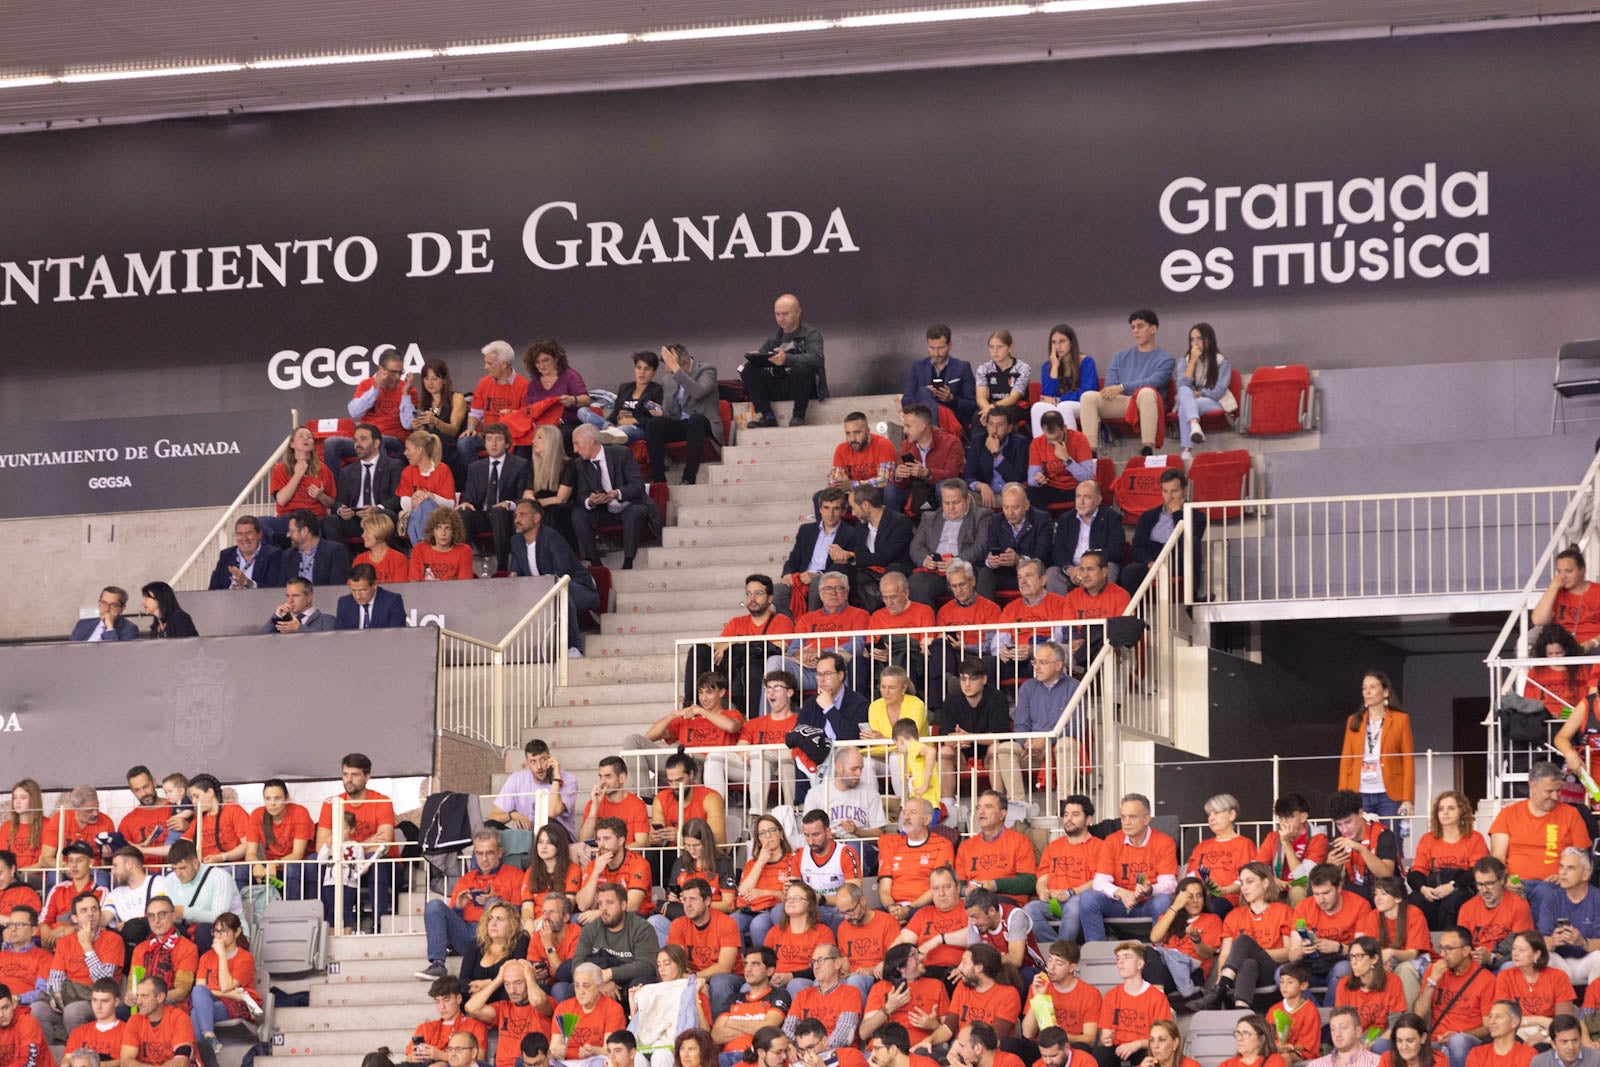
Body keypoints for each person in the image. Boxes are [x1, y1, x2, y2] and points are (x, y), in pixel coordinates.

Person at [417, 829, 529, 981]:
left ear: (500, 852)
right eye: (479, 853)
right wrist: (458, 907)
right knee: (434, 906)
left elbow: (518, 915)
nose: (484, 859)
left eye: (489, 853)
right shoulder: (466, 879)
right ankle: (437, 964)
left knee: (493, 903)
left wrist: (497, 903)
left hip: (495, 938)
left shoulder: (515, 875)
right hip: (467, 935)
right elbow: (447, 923)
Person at [1188, 863, 1294, 1011]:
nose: (1244, 888)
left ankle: (1220, 990)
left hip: (1270, 972)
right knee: (1248, 963)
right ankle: (1240, 1010)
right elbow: (1224, 954)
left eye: (1250, 882)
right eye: (1242, 883)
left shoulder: (1283, 911)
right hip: (1241, 974)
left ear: (1265, 882)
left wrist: (1254, 950)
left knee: (1244, 941)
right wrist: (1220, 974)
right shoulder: (1234, 915)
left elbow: (1288, 952)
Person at [315, 752, 398, 933]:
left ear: (367, 777)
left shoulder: (381, 801)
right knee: (314, 862)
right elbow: (322, 845)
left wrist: (347, 846)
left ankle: (379, 926)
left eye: (355, 775)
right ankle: (322, 924)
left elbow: (383, 843)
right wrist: (361, 844)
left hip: (377, 862)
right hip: (343, 861)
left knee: (375, 862)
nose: (348, 780)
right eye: (345, 774)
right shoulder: (332, 803)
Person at [1080, 793, 1178, 942]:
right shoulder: (1112, 841)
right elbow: (1099, 882)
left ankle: (1161, 953)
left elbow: (1170, 884)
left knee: (1164, 901)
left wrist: (1150, 890)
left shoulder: (1164, 842)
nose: (1126, 822)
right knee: (1088, 898)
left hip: (1148, 903)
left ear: (1146, 819)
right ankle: (1096, 952)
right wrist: (1121, 892)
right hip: (1119, 903)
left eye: (1132, 817)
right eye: (1123, 817)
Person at [509, 499, 600, 657]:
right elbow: (515, 574)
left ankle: (574, 647)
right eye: (515, 515)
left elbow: (562, 574)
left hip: (579, 589)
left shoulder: (552, 538)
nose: (517, 519)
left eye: (522, 515)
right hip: (541, 591)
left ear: (536, 518)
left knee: (559, 592)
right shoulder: (516, 541)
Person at [1078, 310, 1176, 456]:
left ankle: (1147, 448)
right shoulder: (1120, 357)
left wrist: (1123, 387)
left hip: (1146, 401)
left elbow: (1153, 382)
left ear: (1153, 329)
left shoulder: (1166, 359)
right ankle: (1090, 452)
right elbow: (1110, 386)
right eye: (1133, 327)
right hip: (1123, 402)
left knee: (1147, 392)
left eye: (1140, 326)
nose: (1135, 331)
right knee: (1088, 397)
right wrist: (1118, 389)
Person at [31, 890, 123, 1042]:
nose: (91, 914)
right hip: (68, 996)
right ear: (75, 918)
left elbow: (104, 982)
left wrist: (87, 947)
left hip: (97, 998)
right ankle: (49, 1058)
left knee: (73, 1012)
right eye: (84, 910)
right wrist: (55, 996)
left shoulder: (113, 940)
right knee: (37, 1010)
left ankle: (82, 1056)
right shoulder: (65, 942)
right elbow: (55, 976)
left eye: (94, 909)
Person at [571, 422, 660, 570]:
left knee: (635, 512)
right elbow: (580, 494)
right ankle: (595, 563)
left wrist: (617, 493)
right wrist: (590, 501)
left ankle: (629, 560)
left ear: (591, 440)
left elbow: (637, 485)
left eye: (577, 444)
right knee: (577, 514)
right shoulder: (579, 464)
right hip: (603, 510)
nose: (575, 450)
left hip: (628, 504)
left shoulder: (622, 453)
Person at [1490, 763, 1592, 887]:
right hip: (1516, 880)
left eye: (1558, 791)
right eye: (1549, 791)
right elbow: (1498, 857)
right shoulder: (1508, 814)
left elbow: (1581, 857)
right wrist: (1505, 881)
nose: (1555, 797)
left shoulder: (1571, 814)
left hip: (1554, 884)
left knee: (1546, 892)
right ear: (1532, 786)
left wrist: (1564, 877)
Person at [1287, 863, 1373, 999]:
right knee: (1283, 973)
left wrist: (1338, 948)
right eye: (1316, 894)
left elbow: (1363, 954)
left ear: (1339, 887)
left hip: (1342, 961)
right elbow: (1292, 956)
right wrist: (1302, 951)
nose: (1321, 900)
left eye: (1326, 893)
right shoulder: (1304, 906)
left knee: (1343, 969)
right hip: (1311, 964)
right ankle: (1312, 1011)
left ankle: (1329, 1015)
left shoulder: (1360, 905)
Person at [1337, 672, 1415, 822]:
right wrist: (1343, 797)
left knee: (1392, 840)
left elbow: (1407, 761)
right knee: (1360, 841)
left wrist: (1408, 798)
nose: (1367, 691)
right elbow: (1346, 761)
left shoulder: (1401, 719)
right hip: (1359, 792)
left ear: (1385, 692)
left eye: (1372, 687)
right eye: (1364, 688)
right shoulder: (1353, 720)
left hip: (1390, 794)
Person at [934, 656, 1012, 802]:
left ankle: (998, 803)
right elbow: (944, 736)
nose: (967, 685)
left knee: (996, 748)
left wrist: (969, 737)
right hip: (961, 754)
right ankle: (947, 805)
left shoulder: (997, 698)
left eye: (973, 679)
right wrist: (956, 740)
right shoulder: (952, 699)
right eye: (963, 679)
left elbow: (1000, 736)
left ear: (984, 679)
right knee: (945, 751)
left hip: (988, 754)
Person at [743, 293, 826, 428]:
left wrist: (786, 359)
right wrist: (756, 358)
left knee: (802, 367)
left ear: (798, 312)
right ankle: (768, 416)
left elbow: (817, 359)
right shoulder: (774, 338)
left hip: (803, 386)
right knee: (748, 369)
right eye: (777, 314)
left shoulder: (811, 333)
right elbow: (762, 360)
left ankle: (798, 416)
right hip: (780, 385)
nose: (781, 319)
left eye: (785, 314)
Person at [324, 347, 416, 467]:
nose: (398, 377)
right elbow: (354, 412)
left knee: (379, 441)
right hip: (365, 439)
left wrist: (405, 395)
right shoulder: (366, 385)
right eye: (393, 372)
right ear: (381, 369)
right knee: (331, 443)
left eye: (400, 372)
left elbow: (407, 424)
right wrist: (375, 389)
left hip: (395, 441)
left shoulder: (408, 389)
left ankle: (378, 485)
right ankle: (334, 485)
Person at [644, 343, 722, 486]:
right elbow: (670, 413)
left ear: (685, 362)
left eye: (672, 368)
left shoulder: (706, 370)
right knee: (654, 424)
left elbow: (698, 391)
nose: (671, 374)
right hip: (681, 424)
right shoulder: (668, 379)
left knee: (695, 420)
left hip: (703, 424)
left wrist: (676, 369)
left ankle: (689, 478)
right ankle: (659, 480)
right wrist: (662, 411)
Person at [1415, 929, 1494, 1067]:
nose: (1442, 954)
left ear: (1466, 951)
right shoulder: (1434, 971)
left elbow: (1488, 1027)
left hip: (1468, 1043)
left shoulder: (1486, 979)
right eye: (1441, 948)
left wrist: (1458, 1034)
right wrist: (1432, 981)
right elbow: (1419, 1014)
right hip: (1435, 1041)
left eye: (1449, 949)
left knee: (1458, 1041)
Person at [665, 877, 742, 1019]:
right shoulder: (678, 924)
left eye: (693, 899)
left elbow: (725, 967)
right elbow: (675, 961)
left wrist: (695, 978)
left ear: (707, 901)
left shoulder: (726, 923)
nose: (687, 905)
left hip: (730, 978)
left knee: (720, 981)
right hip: (695, 975)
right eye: (684, 899)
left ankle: (715, 1032)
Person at [781, 489, 866, 617]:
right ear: (820, 509)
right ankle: (792, 629)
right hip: (801, 579)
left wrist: (818, 575)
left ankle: (811, 626)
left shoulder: (851, 533)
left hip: (829, 579)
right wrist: (787, 573)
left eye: (835, 509)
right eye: (826, 508)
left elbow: (845, 567)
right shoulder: (806, 530)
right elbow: (793, 559)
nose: (830, 514)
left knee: (819, 583)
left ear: (843, 511)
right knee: (778, 590)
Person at [460, 423, 532, 571]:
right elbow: (468, 495)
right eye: (489, 439)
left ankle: (502, 567)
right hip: (482, 515)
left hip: (507, 516)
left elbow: (524, 497)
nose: (493, 443)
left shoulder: (520, 465)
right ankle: (464, 566)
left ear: (507, 444)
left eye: (498, 439)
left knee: (499, 512)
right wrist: (466, 503)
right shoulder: (475, 467)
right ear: (484, 443)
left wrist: (510, 504)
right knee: (463, 513)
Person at [1120, 470, 1206, 595]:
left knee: (1192, 541)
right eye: (1165, 491)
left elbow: (1189, 541)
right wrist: (1149, 563)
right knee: (1130, 571)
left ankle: (1193, 599)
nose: (1169, 497)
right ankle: (1136, 613)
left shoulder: (1197, 516)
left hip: (1178, 562)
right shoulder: (1148, 516)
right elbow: (1137, 546)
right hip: (1152, 561)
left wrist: (1177, 514)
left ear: (1185, 490)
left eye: (1174, 491)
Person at [1029, 795, 1101, 944]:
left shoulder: (1099, 847)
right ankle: (1058, 951)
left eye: (1075, 815)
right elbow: (1042, 876)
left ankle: (1061, 954)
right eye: (1066, 814)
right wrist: (1042, 890)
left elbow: (1098, 881)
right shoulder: (1053, 847)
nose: (1068, 819)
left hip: (1080, 904)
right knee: (1029, 910)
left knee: (1074, 905)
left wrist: (1070, 892)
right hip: (1054, 904)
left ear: (1088, 820)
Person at [569, 883, 658, 1003]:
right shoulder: (590, 929)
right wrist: (599, 983)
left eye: (609, 903)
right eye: (600, 904)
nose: (603, 909)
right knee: (567, 988)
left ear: (623, 905)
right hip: (598, 980)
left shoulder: (642, 928)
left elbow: (648, 966)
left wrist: (610, 973)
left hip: (628, 980)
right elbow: (577, 965)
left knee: (641, 987)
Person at [321, 421, 406, 546]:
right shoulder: (347, 471)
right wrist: (341, 510)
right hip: (354, 518)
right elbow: (339, 502)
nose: (357, 444)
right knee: (330, 521)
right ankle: (346, 562)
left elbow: (398, 498)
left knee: (388, 515)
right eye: (355, 440)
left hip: (379, 517)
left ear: (377, 443)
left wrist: (376, 509)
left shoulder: (394, 466)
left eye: (363, 439)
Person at [155, 839, 245, 954]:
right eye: (174, 869)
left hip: (230, 932)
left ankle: (204, 970)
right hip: (189, 930)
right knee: (165, 929)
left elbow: (221, 917)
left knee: (204, 930)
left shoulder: (220, 877)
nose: (178, 874)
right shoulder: (170, 880)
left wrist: (185, 912)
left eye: (182, 868)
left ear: (195, 863)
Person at [908, 480, 990, 608]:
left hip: (965, 569)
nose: (951, 508)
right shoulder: (929, 518)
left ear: (968, 499)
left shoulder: (981, 516)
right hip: (936, 571)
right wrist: (926, 560)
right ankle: (933, 625)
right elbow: (915, 546)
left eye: (956, 503)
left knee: (969, 581)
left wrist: (957, 561)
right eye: (946, 503)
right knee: (915, 584)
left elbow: (981, 546)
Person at [1091, 944, 1173, 1067]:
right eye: (1118, 959)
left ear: (1140, 964)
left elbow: (1163, 1038)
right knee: (1100, 1055)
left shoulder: (1157, 997)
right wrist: (1106, 1039)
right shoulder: (1111, 996)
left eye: (1126, 957)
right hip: (1118, 1048)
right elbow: (1106, 1034)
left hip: (1145, 1047)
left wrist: (1137, 1044)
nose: (1120, 962)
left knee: (1154, 1056)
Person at [876, 797, 955, 924]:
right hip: (893, 908)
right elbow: (884, 889)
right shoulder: (890, 844)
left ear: (926, 819)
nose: (906, 817)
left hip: (924, 907)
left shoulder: (942, 845)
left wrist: (909, 909)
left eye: (912, 813)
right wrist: (892, 908)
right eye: (904, 812)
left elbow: (937, 887)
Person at [188, 911, 256, 1057]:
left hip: (240, 1004)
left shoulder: (246, 958)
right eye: (216, 931)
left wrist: (222, 956)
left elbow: (226, 985)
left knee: (196, 1012)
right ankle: (209, 1036)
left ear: (237, 932)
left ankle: (204, 1056)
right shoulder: (206, 957)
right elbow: (200, 989)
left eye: (224, 931)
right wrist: (231, 993)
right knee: (198, 994)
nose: (218, 936)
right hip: (216, 1000)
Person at [860, 944, 951, 1052]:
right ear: (900, 967)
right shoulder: (880, 988)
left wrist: (934, 1026)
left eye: (919, 953)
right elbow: (864, 1033)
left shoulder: (937, 986)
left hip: (921, 1050)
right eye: (914, 955)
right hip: (884, 1052)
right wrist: (888, 1008)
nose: (922, 957)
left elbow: (948, 1030)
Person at [1492, 931, 1575, 1046]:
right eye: (1514, 949)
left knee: (1542, 1047)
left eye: (1522, 950)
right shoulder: (1505, 976)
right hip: (1517, 1030)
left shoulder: (1558, 977)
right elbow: (1504, 1017)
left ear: (1536, 954)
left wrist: (1543, 1034)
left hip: (1551, 1032)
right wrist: (1539, 1020)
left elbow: (1564, 1020)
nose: (1515, 954)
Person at [1144, 878, 1222, 999]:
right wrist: (1175, 907)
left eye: (1199, 895)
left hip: (1193, 973)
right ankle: (1159, 998)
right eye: (1190, 896)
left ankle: (1159, 1000)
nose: (1195, 901)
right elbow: (1154, 938)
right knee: (1146, 953)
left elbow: (1206, 954)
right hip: (1168, 971)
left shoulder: (1212, 919)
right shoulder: (1168, 917)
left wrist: (1196, 939)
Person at [1356, 877, 1431, 1004]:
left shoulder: (1414, 914)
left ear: (1398, 898)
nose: (1377, 899)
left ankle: (1408, 1019)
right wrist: (1380, 963)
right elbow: (1371, 950)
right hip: (1385, 961)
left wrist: (1392, 953)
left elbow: (1412, 953)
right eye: (1376, 894)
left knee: (1405, 969)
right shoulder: (1373, 916)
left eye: (1383, 894)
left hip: (1416, 961)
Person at [465, 959, 552, 1067]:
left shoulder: (545, 1003)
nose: (512, 990)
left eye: (518, 983)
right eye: (507, 984)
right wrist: (498, 980)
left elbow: (537, 1001)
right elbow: (471, 1008)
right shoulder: (503, 1007)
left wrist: (531, 978)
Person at [995, 560, 1070, 686]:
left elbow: (1059, 639)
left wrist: (1034, 651)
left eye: (1028, 576)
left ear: (1043, 580)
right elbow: (1000, 638)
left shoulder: (1060, 603)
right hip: (1015, 659)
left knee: (1048, 664)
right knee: (986, 665)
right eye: (1020, 577)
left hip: (1043, 658)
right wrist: (1003, 650)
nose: (1023, 582)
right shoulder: (1010, 608)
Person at [956, 791, 1038, 905]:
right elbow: (958, 885)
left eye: (988, 807)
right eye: (978, 807)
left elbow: (1028, 883)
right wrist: (966, 891)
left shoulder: (1020, 841)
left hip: (1005, 902)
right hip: (972, 902)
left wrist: (995, 885)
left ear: (1002, 814)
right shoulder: (966, 847)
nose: (981, 811)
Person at [1533, 848, 1600, 984]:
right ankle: (1552, 1005)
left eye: (1570, 868)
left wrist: (1582, 942)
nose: (1563, 873)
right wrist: (1552, 941)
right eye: (1561, 866)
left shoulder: (1597, 898)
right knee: (1543, 957)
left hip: (1587, 961)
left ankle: (1594, 1004)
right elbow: (1541, 941)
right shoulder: (1551, 897)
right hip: (1559, 961)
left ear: (1585, 874)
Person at [711, 947, 792, 1059]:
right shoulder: (733, 998)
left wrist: (731, 1022)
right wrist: (753, 1027)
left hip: (754, 1057)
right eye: (746, 964)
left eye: (754, 964)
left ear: (769, 971)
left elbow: (767, 1028)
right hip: (725, 1057)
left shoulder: (779, 995)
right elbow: (716, 1036)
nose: (748, 969)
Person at [1045, 482, 1126, 594]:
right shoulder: (1065, 519)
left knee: (1109, 568)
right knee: (1052, 573)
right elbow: (1058, 551)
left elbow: (1116, 550)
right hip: (1073, 570)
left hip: (1097, 568)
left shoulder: (1111, 518)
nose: (1081, 502)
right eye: (1078, 496)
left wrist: (1088, 567)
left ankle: (1104, 609)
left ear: (1098, 500)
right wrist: (1070, 569)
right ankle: (1062, 611)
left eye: (1087, 497)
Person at [656, 823, 737, 933]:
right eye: (687, 845)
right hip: (682, 916)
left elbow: (728, 905)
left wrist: (699, 905)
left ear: (706, 843)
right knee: (655, 921)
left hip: (712, 917)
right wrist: (673, 898)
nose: (692, 850)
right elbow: (672, 893)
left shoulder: (723, 863)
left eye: (696, 845)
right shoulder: (680, 862)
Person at [264, 423, 338, 543]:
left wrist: (321, 496)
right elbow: (281, 500)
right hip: (288, 518)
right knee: (261, 524)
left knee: (315, 525)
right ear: (292, 444)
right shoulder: (280, 469)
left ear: (313, 445)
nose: (306, 438)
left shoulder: (323, 469)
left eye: (309, 437)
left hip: (313, 517)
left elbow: (332, 503)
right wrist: (298, 474)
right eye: (301, 436)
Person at [848, 484, 917, 613]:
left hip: (895, 569)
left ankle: (877, 616)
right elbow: (860, 552)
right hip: (870, 573)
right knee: (841, 572)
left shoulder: (899, 522)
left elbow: (885, 557)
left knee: (887, 572)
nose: (852, 513)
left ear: (866, 505)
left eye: (853, 508)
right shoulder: (861, 526)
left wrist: (852, 556)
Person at [887, 405, 965, 517]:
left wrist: (927, 473)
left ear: (922, 426)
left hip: (937, 486)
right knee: (891, 490)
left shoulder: (951, 442)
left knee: (943, 487)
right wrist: (899, 476)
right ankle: (896, 529)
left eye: (908, 426)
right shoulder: (906, 445)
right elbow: (903, 483)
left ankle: (946, 525)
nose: (904, 431)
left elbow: (953, 474)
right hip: (917, 489)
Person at [459, 341, 531, 462]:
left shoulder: (524, 386)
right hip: (487, 435)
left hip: (512, 437)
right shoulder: (484, 383)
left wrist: (512, 413)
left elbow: (527, 418)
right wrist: (471, 428)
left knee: (523, 448)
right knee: (464, 443)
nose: (485, 367)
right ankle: (480, 476)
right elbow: (475, 412)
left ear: (503, 365)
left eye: (489, 363)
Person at [245, 779, 315, 903]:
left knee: (291, 868)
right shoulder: (257, 815)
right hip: (271, 872)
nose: (272, 803)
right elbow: (250, 853)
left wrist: (275, 863)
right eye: (268, 799)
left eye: (277, 798)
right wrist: (257, 865)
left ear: (286, 798)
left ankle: (292, 913)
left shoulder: (299, 812)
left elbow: (297, 854)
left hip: (298, 868)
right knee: (240, 871)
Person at [1459, 858, 1534, 972]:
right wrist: (1475, 956)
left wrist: (1492, 957)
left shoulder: (1519, 905)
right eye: (1480, 884)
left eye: (1489, 883)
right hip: (1475, 962)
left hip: (1505, 960)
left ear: (1502, 880)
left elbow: (1521, 945)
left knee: (1508, 968)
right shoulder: (1467, 908)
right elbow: (1461, 943)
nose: (1484, 890)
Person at [1184, 794, 1255, 913]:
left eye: (1216, 813)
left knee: (1213, 907)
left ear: (1231, 815)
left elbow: (1248, 879)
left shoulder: (1245, 844)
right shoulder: (1202, 846)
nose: (1211, 818)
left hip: (1227, 898)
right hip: (1199, 897)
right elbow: (1190, 877)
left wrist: (1224, 890)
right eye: (1209, 814)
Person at [981, 484, 1053, 603]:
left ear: (1026, 505)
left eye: (1015, 507)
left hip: (1032, 575)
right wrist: (991, 561)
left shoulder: (1042, 519)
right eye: (1006, 507)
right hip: (1005, 574)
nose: (1010, 513)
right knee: (984, 572)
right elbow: (989, 549)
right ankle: (987, 616)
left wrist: (1019, 560)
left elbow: (1042, 555)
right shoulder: (995, 520)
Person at [894, 866, 969, 979]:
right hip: (923, 972)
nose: (941, 893)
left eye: (947, 887)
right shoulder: (923, 913)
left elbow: (974, 936)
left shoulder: (969, 909)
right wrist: (887, 961)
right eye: (935, 888)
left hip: (956, 971)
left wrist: (938, 939)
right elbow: (902, 941)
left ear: (958, 888)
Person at [822, 412, 900, 520]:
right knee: (820, 496)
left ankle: (891, 528)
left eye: (857, 433)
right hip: (852, 495)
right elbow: (833, 483)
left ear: (868, 431)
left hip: (876, 494)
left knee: (890, 491)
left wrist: (852, 485)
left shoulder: (883, 445)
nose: (852, 438)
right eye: (848, 434)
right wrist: (838, 483)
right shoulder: (841, 449)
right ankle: (830, 535)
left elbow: (884, 480)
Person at [490, 740, 577, 836]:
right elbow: (493, 817)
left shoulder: (569, 779)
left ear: (550, 759)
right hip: (529, 838)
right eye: (533, 761)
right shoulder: (516, 779)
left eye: (543, 760)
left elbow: (552, 812)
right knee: (489, 826)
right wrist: (511, 815)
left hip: (559, 838)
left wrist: (556, 778)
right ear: (527, 763)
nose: (539, 767)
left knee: (548, 822)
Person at [1334, 936, 1408, 1048]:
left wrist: (1370, 1044)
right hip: (1354, 1039)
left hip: (1384, 1038)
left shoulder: (1393, 981)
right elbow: (1341, 1023)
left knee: (1380, 1046)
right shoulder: (1343, 984)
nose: (1353, 962)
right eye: (1351, 957)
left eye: (1359, 956)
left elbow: (1395, 1026)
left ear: (1374, 959)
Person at [1022, 943, 1101, 1048]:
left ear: (1072, 967)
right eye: (1050, 960)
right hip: (1042, 1047)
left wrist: (1059, 1036)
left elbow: (1089, 1039)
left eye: (1059, 963)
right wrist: (1038, 997)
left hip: (1070, 1047)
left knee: (1082, 1047)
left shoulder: (1090, 994)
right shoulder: (1039, 986)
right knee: (1014, 1045)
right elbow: (1027, 1033)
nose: (1051, 967)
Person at [574, 818, 654, 921]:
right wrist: (595, 873)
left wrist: (600, 913)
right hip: (602, 919)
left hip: (632, 918)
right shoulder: (594, 865)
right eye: (598, 839)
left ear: (621, 840)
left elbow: (632, 905)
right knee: (576, 919)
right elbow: (582, 905)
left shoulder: (639, 864)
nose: (601, 844)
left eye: (606, 839)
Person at [834, 882, 902, 1001]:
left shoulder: (887, 922)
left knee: (855, 981)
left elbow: (897, 960)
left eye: (850, 911)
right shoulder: (843, 928)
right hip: (851, 978)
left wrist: (871, 970)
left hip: (879, 978)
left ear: (863, 902)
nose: (846, 917)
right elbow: (845, 960)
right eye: (842, 913)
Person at [786, 945, 864, 1049]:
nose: (816, 966)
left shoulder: (850, 993)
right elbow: (787, 1031)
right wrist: (799, 1049)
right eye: (813, 962)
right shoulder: (803, 995)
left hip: (836, 1057)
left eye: (821, 960)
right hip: (804, 1055)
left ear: (837, 963)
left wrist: (813, 1050)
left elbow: (843, 1037)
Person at [1061, 551, 1130, 668]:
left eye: (1090, 569)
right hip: (1079, 645)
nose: (1085, 575)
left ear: (1104, 572)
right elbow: (1068, 628)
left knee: (1101, 635)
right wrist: (1073, 641)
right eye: (1082, 569)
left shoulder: (1121, 595)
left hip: (1111, 649)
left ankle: (1082, 661)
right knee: (1051, 652)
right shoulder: (1072, 596)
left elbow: (1121, 632)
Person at [1328, 791, 1400, 903]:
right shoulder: (1339, 838)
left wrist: (1361, 849)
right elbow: (1331, 878)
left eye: (1348, 822)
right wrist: (1331, 866)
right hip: (1353, 888)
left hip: (1384, 891)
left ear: (1360, 813)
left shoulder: (1383, 834)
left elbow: (1386, 874)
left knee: (1349, 892)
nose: (1344, 829)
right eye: (1339, 824)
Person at [1176, 323, 1235, 458]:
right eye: (1192, 339)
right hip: (1192, 400)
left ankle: (1186, 450)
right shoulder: (1184, 361)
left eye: (1199, 339)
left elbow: (1219, 391)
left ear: (1209, 340)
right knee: (1184, 390)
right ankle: (1195, 425)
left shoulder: (1221, 361)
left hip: (1216, 401)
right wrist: (1192, 361)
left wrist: (1200, 393)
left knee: (1184, 408)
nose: (1195, 343)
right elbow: (1182, 386)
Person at [582, 349, 663, 446]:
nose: (642, 372)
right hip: (616, 426)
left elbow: (657, 420)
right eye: (639, 368)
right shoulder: (625, 388)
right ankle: (609, 429)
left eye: (647, 369)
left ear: (654, 372)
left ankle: (609, 434)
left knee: (625, 429)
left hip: (638, 429)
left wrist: (634, 420)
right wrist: (615, 419)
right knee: (582, 411)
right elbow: (614, 413)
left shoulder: (657, 391)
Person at [548, 962, 625, 1064]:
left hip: (595, 1061)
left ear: (599, 986)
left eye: (586, 986)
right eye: (577, 986)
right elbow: (553, 1048)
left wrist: (594, 1051)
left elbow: (610, 1051)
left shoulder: (613, 1009)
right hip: (566, 1062)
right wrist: (556, 1052)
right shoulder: (564, 1008)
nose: (580, 991)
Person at [903, 324, 977, 428]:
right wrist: (923, 393)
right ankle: (935, 432)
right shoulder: (918, 367)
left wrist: (951, 399)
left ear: (949, 346)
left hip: (952, 423)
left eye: (940, 348)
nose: (936, 353)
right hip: (922, 424)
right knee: (925, 394)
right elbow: (906, 403)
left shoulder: (962, 368)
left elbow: (973, 405)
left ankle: (934, 434)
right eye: (932, 348)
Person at [1031, 325, 1099, 437]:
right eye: (1054, 342)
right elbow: (1047, 397)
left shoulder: (1086, 362)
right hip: (1059, 403)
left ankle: (1072, 448)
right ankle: (1043, 451)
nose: (1057, 346)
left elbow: (1087, 393)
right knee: (1037, 407)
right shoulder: (1047, 366)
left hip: (1082, 405)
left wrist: (1059, 399)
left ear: (1071, 342)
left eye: (1062, 341)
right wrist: (1055, 367)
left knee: (1065, 406)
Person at [1259, 794, 1328, 905]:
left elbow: (1304, 877)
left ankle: (1300, 923)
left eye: (1289, 817)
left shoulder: (1318, 838)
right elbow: (1257, 868)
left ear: (1303, 817)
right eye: (1281, 818)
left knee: (1297, 891)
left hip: (1305, 887)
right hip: (1278, 888)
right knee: (1254, 888)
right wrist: (1271, 880)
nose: (1284, 822)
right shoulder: (1273, 837)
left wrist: (1286, 843)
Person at [651, 754, 729, 849]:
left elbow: (718, 839)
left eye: (679, 780)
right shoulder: (661, 798)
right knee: (651, 855)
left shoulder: (711, 798)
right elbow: (651, 840)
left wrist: (681, 838)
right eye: (670, 781)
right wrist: (655, 838)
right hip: (674, 853)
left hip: (706, 854)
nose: (674, 786)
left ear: (691, 775)